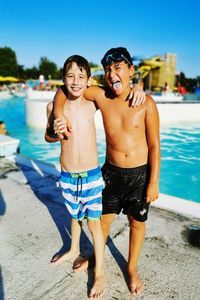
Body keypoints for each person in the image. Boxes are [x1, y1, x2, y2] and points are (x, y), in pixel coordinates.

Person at [54, 47, 158, 296]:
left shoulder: (146, 103)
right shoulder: (102, 96)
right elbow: (64, 89)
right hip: (111, 173)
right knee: (101, 222)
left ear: (131, 70)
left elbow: (155, 144)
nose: (112, 74)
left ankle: (131, 268)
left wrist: (153, 182)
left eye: (118, 68)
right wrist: (58, 113)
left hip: (139, 176)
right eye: (108, 70)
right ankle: (94, 255)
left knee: (137, 223)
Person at [45, 55, 106, 299]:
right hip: (68, 175)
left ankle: (100, 270)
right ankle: (73, 249)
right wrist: (54, 133)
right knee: (74, 215)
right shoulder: (53, 107)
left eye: (81, 76)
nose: (76, 81)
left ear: (88, 80)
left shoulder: (91, 102)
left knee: (94, 224)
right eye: (70, 76)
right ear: (63, 79)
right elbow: (47, 136)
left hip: (91, 175)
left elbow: (114, 99)